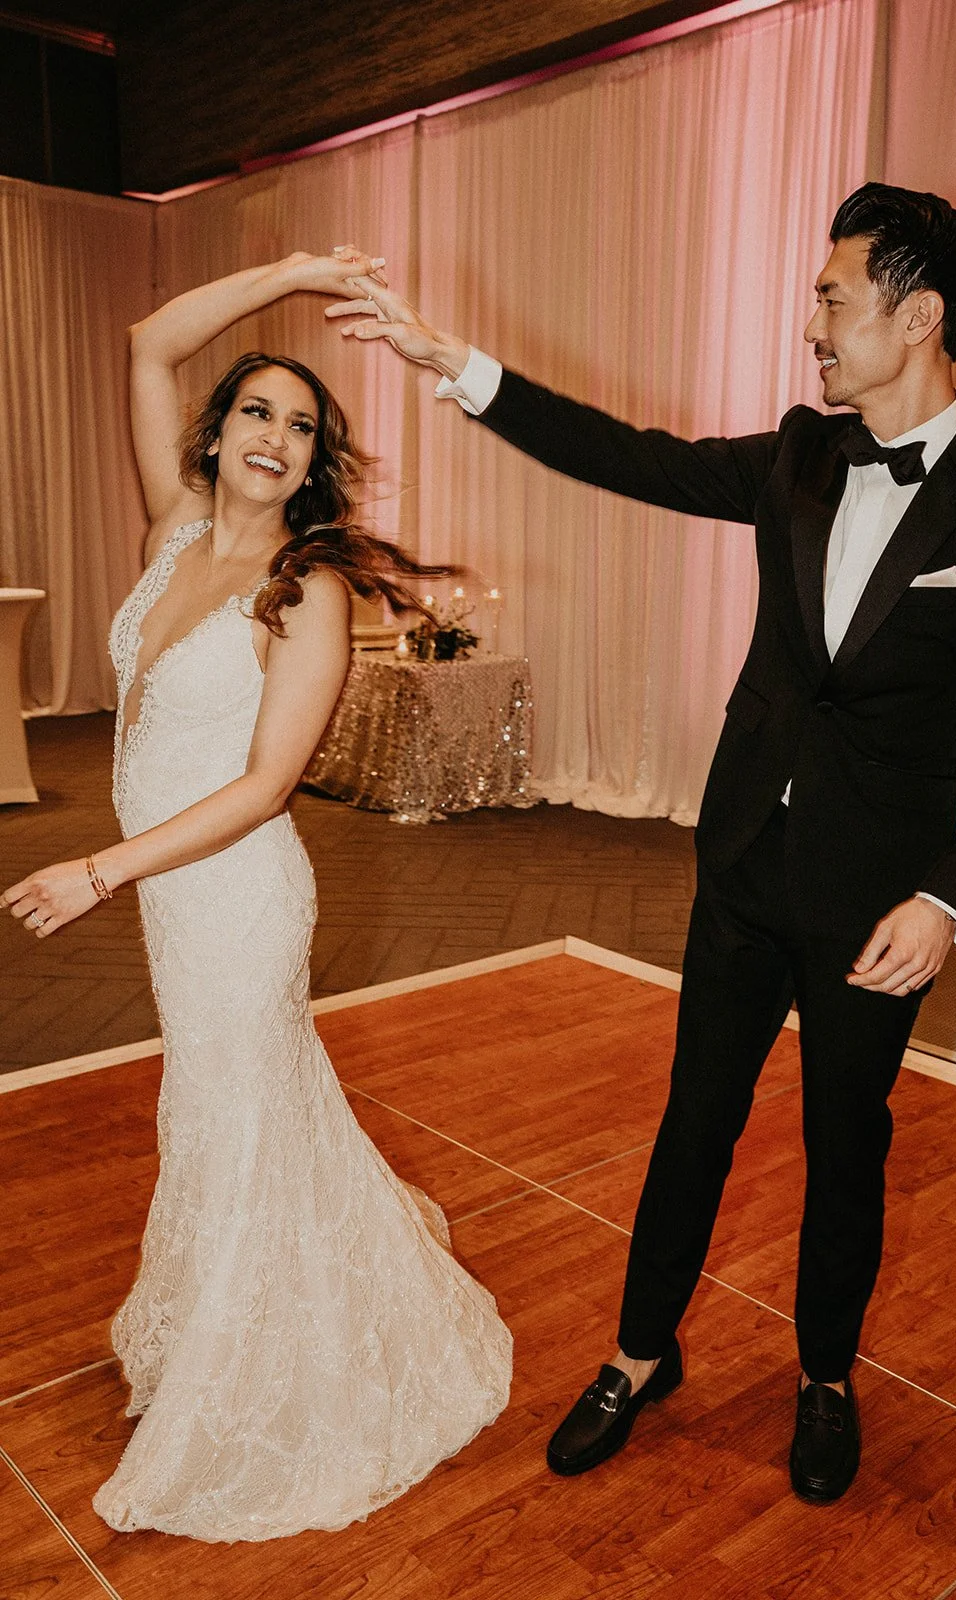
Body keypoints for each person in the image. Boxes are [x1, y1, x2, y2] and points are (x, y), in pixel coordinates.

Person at [325, 183, 956, 1503]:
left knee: (848, 1148)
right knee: (692, 1126)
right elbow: (628, 452)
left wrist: (946, 900)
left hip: (878, 907)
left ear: (918, 314)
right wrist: (457, 366)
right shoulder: (796, 457)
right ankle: (635, 1353)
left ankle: (825, 1377)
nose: (810, 328)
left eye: (832, 299)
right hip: (740, 869)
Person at [1, 251, 512, 1542]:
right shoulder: (171, 533)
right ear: (217, 434)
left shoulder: (313, 590)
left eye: (302, 425)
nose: (278, 437)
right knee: (232, 1106)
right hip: (178, 898)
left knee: (229, 1112)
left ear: (311, 463)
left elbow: (269, 783)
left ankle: (245, 1377)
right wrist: (294, 272)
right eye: (258, 412)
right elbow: (145, 337)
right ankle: (225, 1328)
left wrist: (100, 867)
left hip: (231, 891)